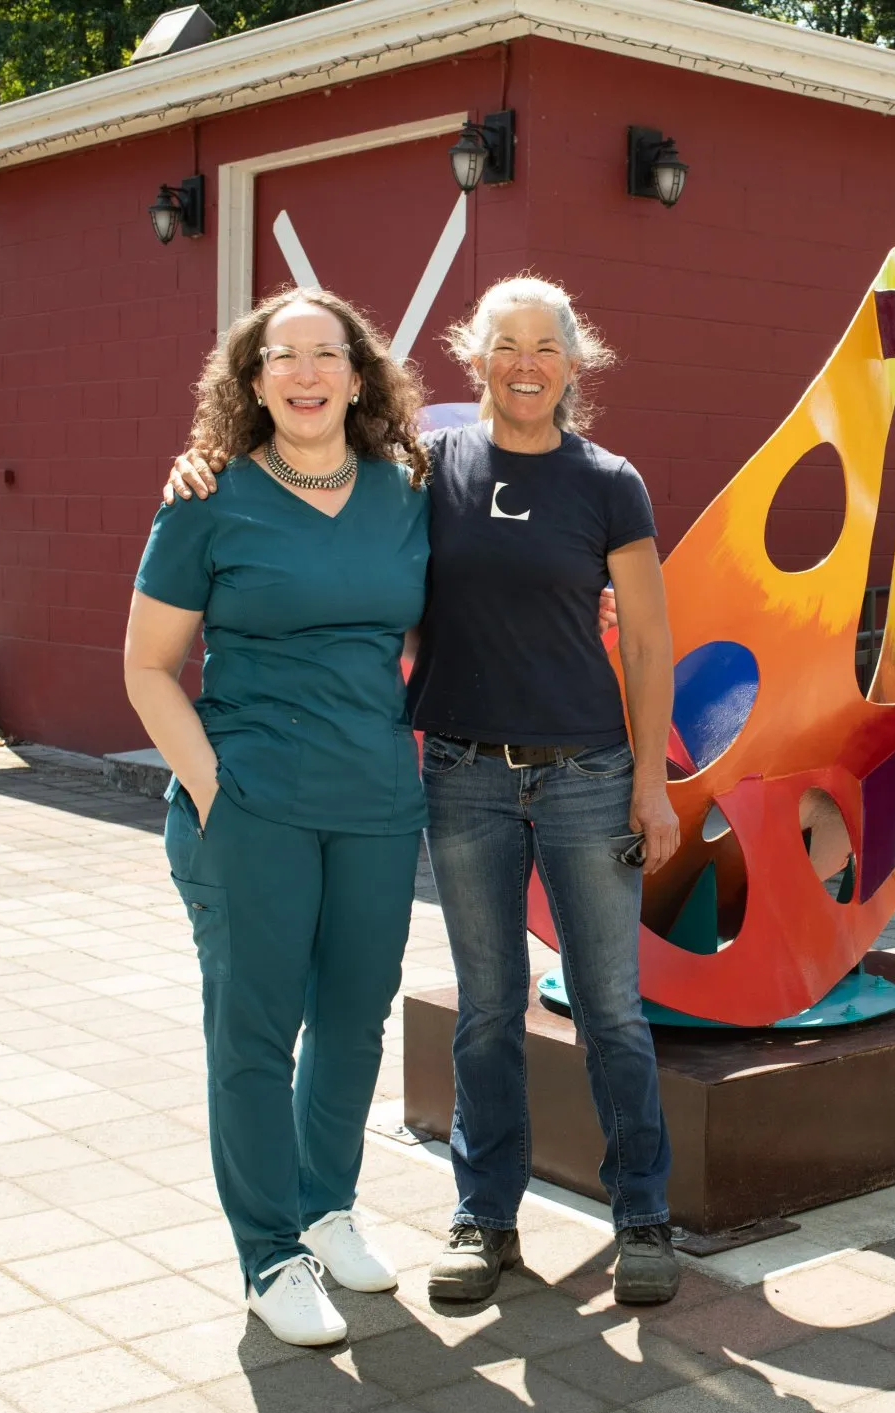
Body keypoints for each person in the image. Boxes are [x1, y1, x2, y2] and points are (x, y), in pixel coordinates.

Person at [164, 276, 683, 1307]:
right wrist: (208, 459)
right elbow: (308, 492)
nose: (525, 363)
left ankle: (643, 1217)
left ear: (576, 366)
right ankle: (484, 1220)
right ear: (472, 359)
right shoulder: (420, 469)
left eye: (547, 347)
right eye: (506, 345)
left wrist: (652, 783)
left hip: (587, 775)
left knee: (612, 1011)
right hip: (460, 776)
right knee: (485, 1010)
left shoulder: (610, 482)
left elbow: (651, 637)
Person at [126, 287, 429, 1347]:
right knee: (255, 1033)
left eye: (327, 355)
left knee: (353, 1018)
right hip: (251, 806)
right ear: (251, 382)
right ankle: (269, 1254)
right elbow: (149, 667)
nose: (305, 374)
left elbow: (438, 626)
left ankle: (327, 1206)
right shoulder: (205, 500)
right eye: (282, 357)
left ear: (360, 374)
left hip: (379, 805)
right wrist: (215, 789)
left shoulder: (406, 491)